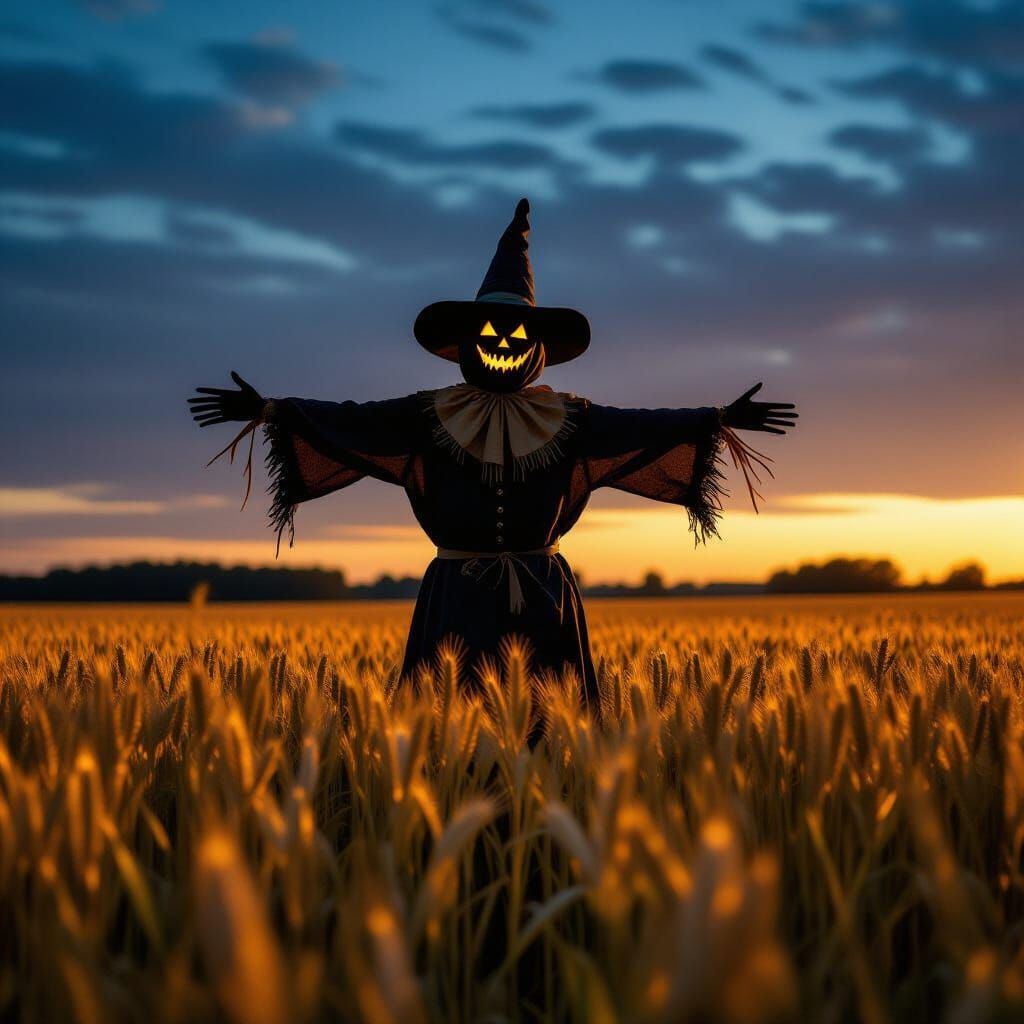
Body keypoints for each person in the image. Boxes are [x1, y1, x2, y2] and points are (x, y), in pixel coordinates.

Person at [189, 199, 797, 711]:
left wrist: (716, 419)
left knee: (549, 727)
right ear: (463, 344)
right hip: (455, 598)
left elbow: (643, 427)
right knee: (446, 729)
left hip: (544, 599)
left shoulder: (572, 419)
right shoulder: (425, 416)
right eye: (489, 333)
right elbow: (348, 419)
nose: (502, 344)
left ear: (538, 348)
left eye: (517, 335)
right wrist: (271, 409)